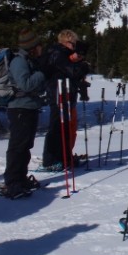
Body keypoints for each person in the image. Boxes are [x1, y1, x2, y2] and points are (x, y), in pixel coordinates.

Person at [3, 29, 46, 198]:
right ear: (32, 46)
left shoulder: (29, 60)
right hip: (20, 108)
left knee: (25, 146)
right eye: (39, 44)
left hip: (28, 107)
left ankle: (20, 178)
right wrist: (42, 74)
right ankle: (12, 182)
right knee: (17, 146)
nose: (41, 47)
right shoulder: (19, 62)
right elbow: (26, 84)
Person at [40, 30, 90, 171]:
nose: (74, 46)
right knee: (57, 127)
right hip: (58, 93)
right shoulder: (57, 53)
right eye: (73, 43)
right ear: (65, 42)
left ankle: (64, 156)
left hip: (66, 92)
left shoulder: (63, 54)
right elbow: (72, 71)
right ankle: (51, 160)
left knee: (65, 127)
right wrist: (83, 66)